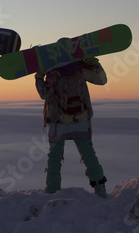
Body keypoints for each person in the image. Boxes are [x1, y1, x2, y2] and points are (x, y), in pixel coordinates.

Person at [35, 57, 108, 198]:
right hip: (81, 121)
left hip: (58, 123)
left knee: (54, 159)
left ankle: (52, 192)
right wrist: (95, 64)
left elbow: (44, 93)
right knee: (89, 155)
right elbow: (102, 79)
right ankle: (100, 190)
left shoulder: (53, 74)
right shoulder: (81, 71)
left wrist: (39, 76)